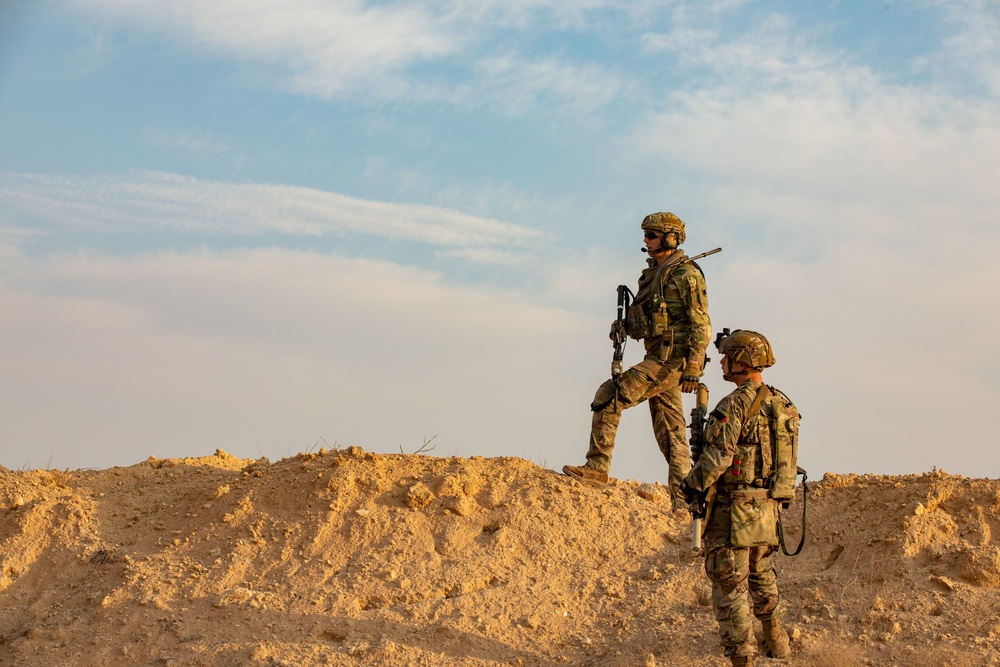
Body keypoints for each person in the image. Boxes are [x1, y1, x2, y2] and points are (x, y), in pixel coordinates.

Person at [563, 211, 711, 510]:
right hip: (657, 356)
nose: (646, 240)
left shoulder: (686, 274)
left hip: (671, 361)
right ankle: (685, 504)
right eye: (646, 234)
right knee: (671, 434)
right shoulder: (652, 275)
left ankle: (597, 469)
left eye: (652, 235)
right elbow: (647, 319)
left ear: (670, 237)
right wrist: (623, 327)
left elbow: (701, 325)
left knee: (610, 394)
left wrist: (693, 367)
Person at [680, 329, 794, 667]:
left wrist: (692, 485)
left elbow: (719, 456)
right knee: (762, 575)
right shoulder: (784, 404)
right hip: (767, 510)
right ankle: (777, 643)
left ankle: (743, 660)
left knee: (730, 590)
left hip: (734, 511)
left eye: (728, 357)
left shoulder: (735, 404)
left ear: (742, 361)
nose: (723, 363)